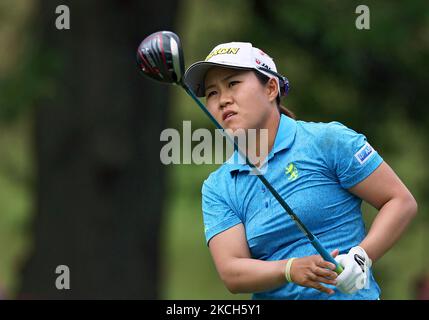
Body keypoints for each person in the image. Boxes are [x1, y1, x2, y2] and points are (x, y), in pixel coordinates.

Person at [183, 42, 418, 300]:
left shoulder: (328, 141)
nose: (223, 99)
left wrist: (362, 256)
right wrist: (289, 269)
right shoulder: (219, 186)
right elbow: (233, 272)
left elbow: (400, 201)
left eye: (233, 84)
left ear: (271, 88)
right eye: (212, 93)